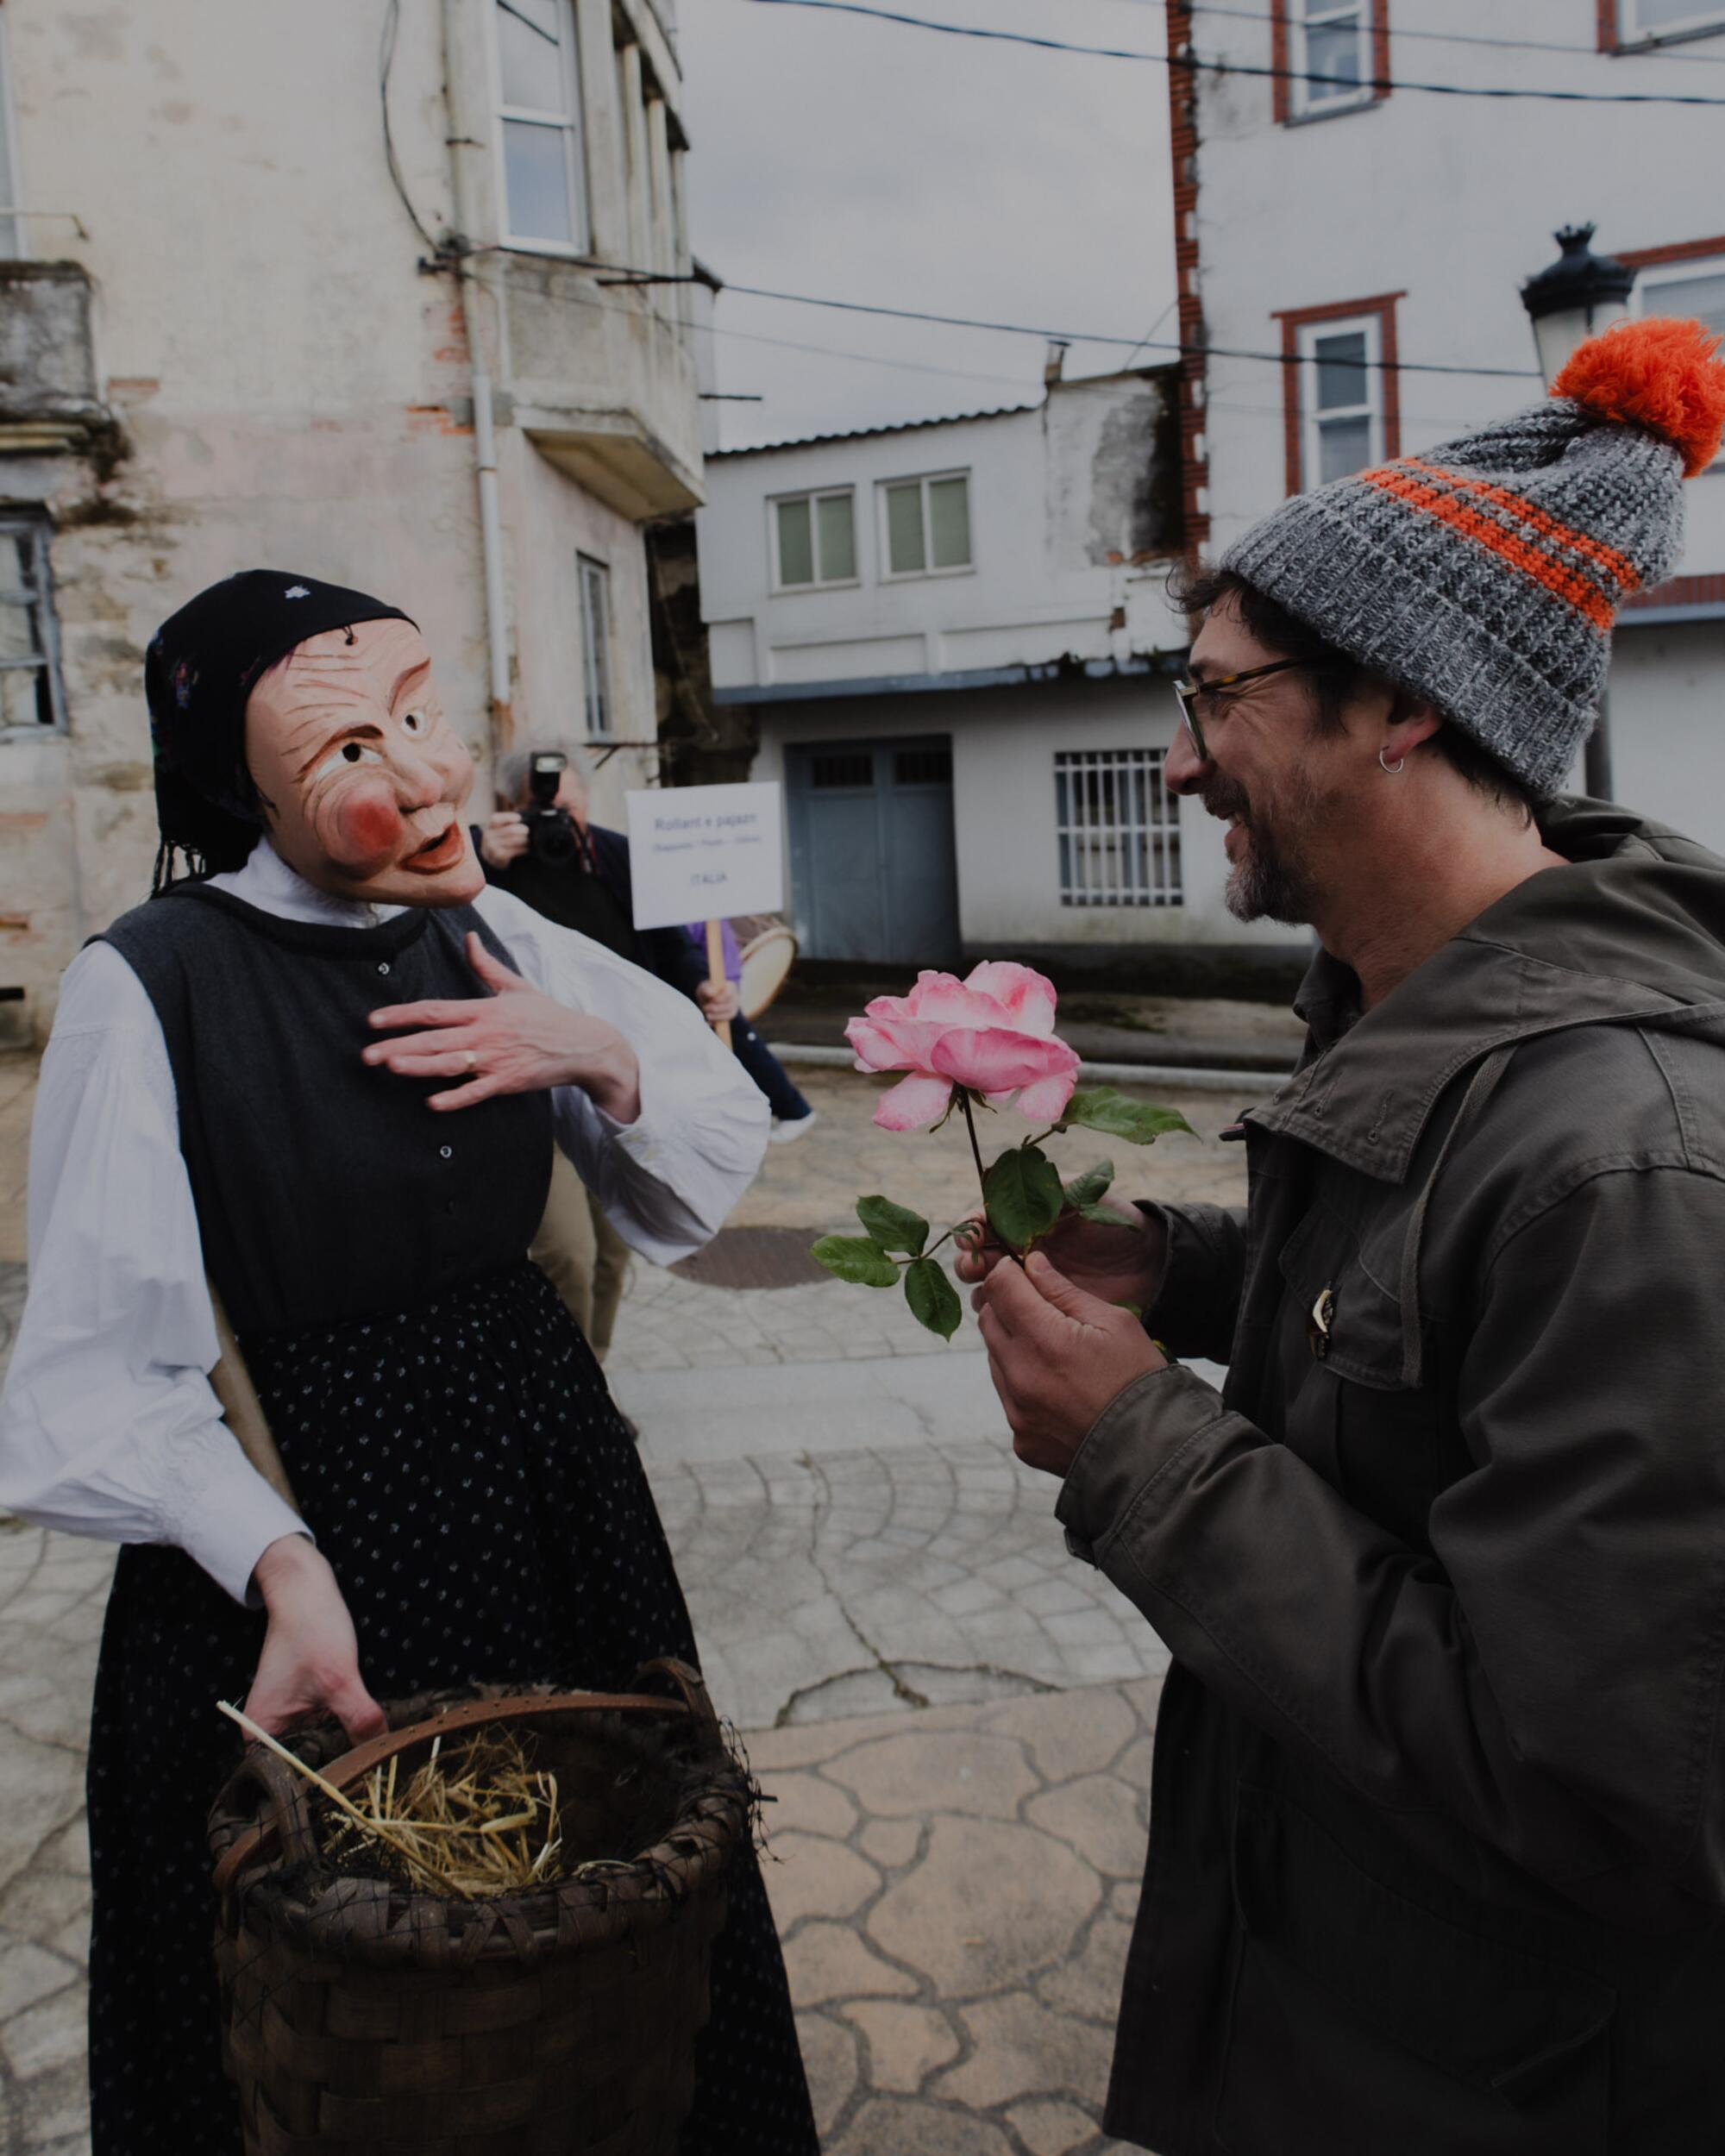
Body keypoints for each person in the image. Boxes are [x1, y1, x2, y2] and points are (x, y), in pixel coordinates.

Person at [960, 317, 1725, 2155]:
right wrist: (1196, 1267)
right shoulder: (1414, 1012)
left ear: (1400, 704)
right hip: (1372, 2016)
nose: (1175, 763)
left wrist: (1143, 1446)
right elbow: (1431, 1332)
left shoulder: (1624, 1172)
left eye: (1218, 694)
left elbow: (1603, 1796)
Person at [0, 573, 818, 2155]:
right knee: (327, 1983)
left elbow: (690, 1176)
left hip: (542, 1495)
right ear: (247, 792)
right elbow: (91, 1384)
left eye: (427, 711)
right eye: (355, 750)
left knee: (605, 1918)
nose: (431, 773)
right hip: (305, 1530)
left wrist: (602, 1055)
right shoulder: (145, 984)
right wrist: (281, 1569)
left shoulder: (493, 925)